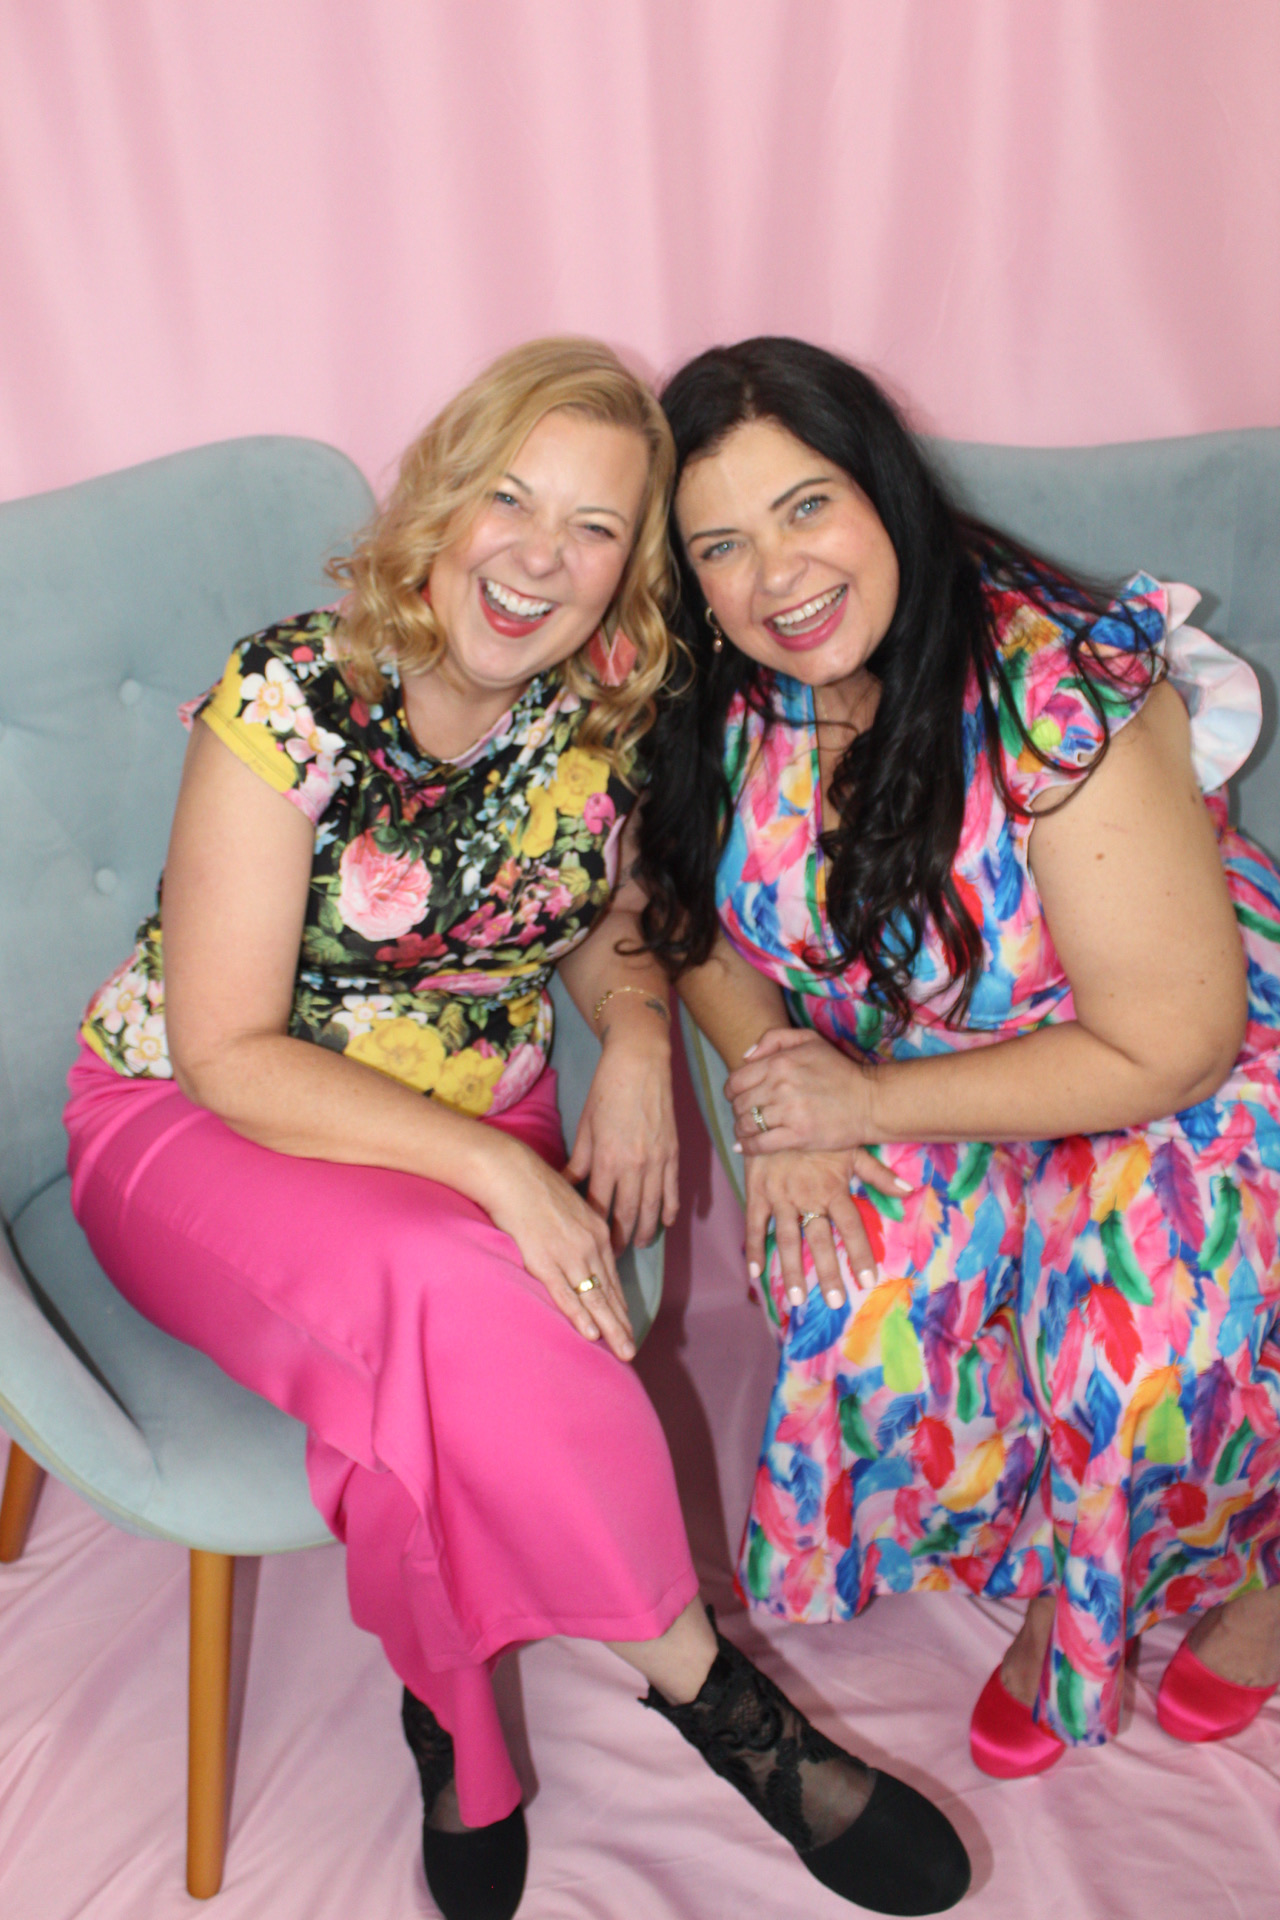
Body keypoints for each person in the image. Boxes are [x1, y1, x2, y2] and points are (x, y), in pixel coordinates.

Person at [65, 338, 970, 1920]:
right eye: (511, 499)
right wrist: (494, 1166)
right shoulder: (289, 692)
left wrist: (630, 1033)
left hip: (482, 1097)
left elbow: (617, 917)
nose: (541, 555)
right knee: (459, 1283)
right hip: (205, 1126)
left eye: (598, 527)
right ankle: (716, 1701)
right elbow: (224, 1047)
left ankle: (457, 1727)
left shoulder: (603, 719)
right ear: (441, 501)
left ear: (629, 578)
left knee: (417, 1384)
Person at [638, 335, 1280, 1780]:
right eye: (721, 544)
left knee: (1136, 1340)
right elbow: (685, 917)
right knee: (849, 1278)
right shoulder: (720, 692)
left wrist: (862, 1098)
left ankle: (1198, 1577)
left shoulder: (1058, 696)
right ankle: (1054, 1540)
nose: (777, 576)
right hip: (914, 1069)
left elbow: (1170, 1042)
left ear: (884, 492)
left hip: (1166, 1065)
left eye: (807, 507)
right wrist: (784, 1096)